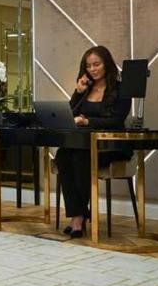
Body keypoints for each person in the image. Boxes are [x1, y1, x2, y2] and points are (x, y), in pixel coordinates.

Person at [55, 45, 131, 238]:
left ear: (106, 64)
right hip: (85, 145)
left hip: (111, 147)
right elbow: (69, 115)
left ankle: (78, 218)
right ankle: (79, 214)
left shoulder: (121, 89)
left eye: (96, 64)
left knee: (81, 157)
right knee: (63, 155)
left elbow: (116, 120)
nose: (92, 69)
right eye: (88, 66)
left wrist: (88, 121)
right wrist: (78, 92)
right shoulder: (86, 88)